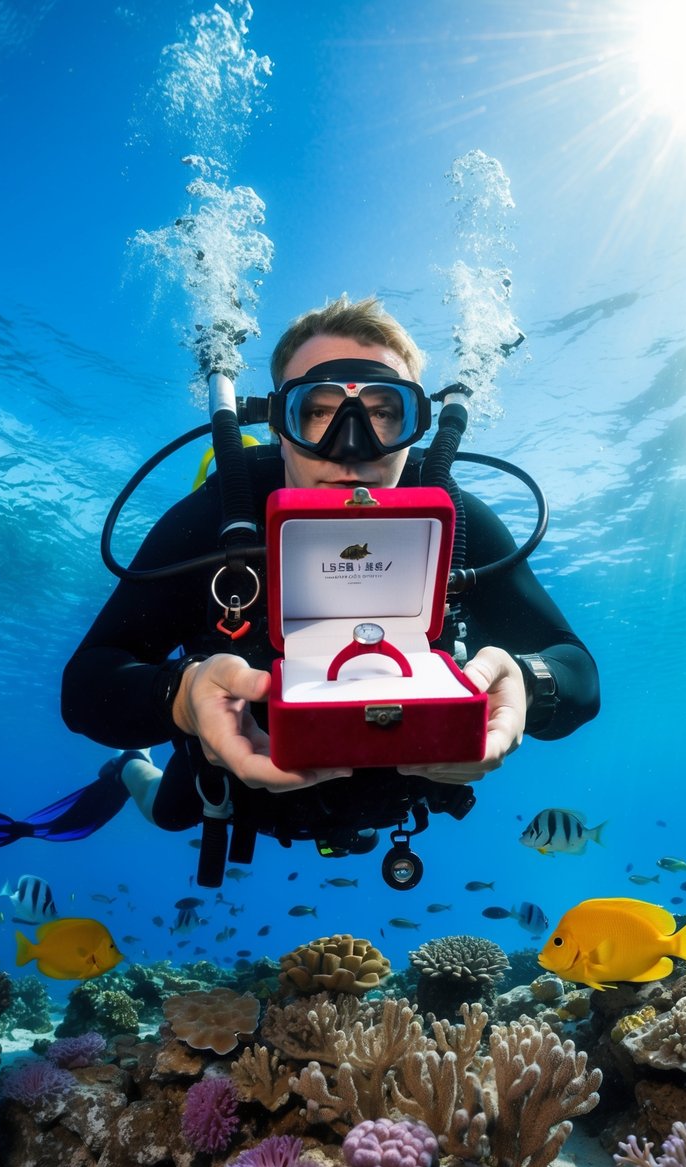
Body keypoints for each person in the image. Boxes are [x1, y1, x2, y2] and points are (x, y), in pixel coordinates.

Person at [59, 296, 599, 877]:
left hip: (398, 792)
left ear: (416, 425)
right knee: (169, 812)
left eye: (384, 412)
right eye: (316, 412)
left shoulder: (459, 521)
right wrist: (182, 698)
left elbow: (578, 674)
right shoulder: (213, 520)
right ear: (275, 423)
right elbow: (86, 685)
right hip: (239, 788)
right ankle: (131, 768)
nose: (351, 446)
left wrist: (527, 682)